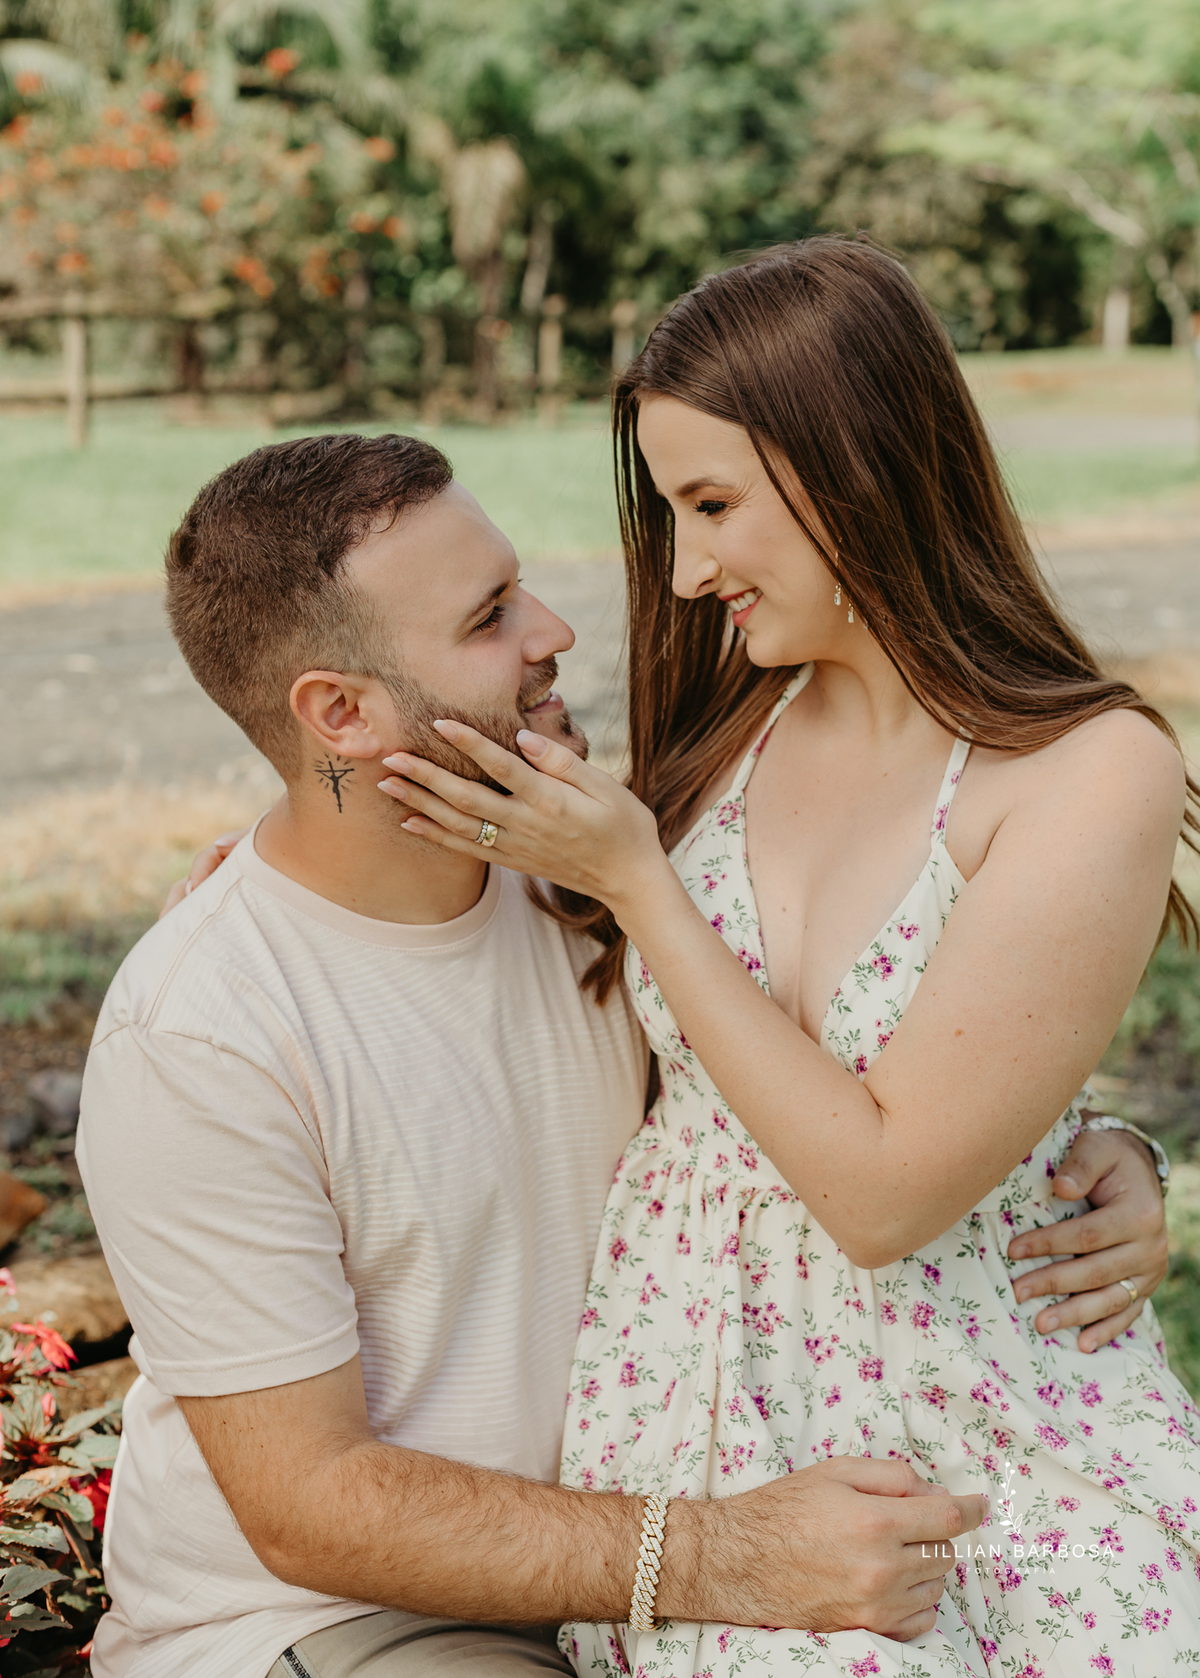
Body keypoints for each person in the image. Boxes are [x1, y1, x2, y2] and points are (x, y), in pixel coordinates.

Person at [371, 239, 1199, 1677]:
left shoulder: (1085, 770)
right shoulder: (726, 730)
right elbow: (518, 922)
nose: (687, 572)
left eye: (713, 506)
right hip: (707, 1421)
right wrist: (260, 897)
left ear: (854, 467)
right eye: (671, 513)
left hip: (992, 1424)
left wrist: (1103, 1150)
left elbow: (884, 1196)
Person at [77, 430, 1001, 1678]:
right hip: (339, 1620)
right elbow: (311, 1507)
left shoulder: (598, 869)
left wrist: (1099, 1155)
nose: (555, 631)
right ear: (341, 712)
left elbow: (865, 1065)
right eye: (490, 617)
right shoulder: (203, 1035)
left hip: (636, 1564)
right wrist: (730, 1556)